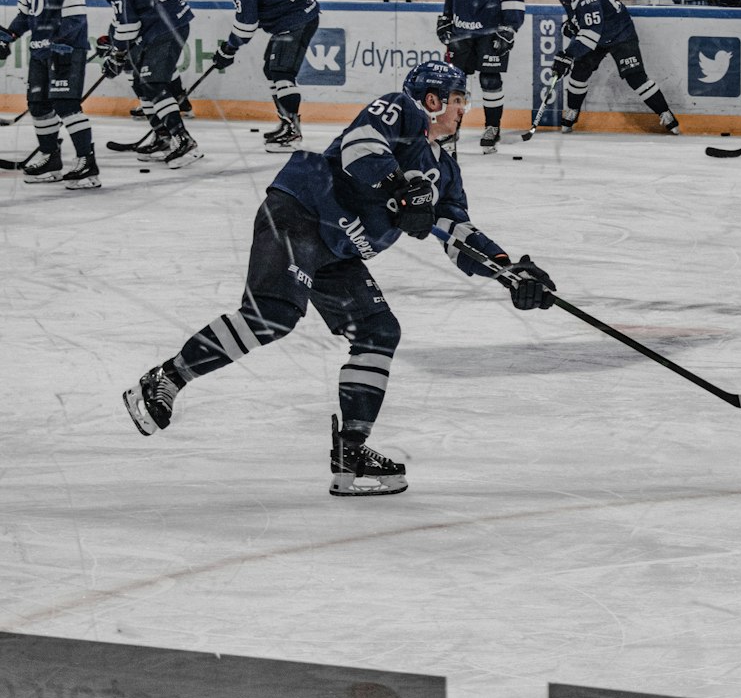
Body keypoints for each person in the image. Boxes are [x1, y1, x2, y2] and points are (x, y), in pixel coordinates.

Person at [122, 60, 556, 496]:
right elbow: (359, 148)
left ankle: (351, 450)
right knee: (273, 314)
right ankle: (166, 378)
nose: (465, 110)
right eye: (459, 100)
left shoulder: (445, 172)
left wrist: (508, 270)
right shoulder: (401, 110)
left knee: (378, 330)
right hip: (302, 210)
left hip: (337, 250)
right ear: (433, 100)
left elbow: (457, 232)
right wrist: (400, 188)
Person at [84, 0, 201, 169]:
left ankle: (183, 140)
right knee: (141, 83)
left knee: (153, 83)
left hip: (165, 28)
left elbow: (129, 26)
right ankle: (163, 136)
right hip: (165, 23)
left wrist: (117, 54)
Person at [0, 0, 100, 188]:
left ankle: (87, 163)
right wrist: (8, 35)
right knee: (38, 105)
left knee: (66, 105)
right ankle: (51, 158)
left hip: (66, 49)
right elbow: (25, 12)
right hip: (40, 51)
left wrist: (61, 42)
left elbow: (76, 11)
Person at [210, 0, 320, 151]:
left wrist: (228, 49)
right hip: (299, 15)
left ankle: (292, 132)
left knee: (282, 73)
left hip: (295, 21)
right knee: (270, 69)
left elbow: (246, 27)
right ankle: (286, 122)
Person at [554, 0, 679, 134]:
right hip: (597, 36)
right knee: (578, 72)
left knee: (635, 77)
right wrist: (571, 26)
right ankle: (572, 110)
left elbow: (590, 34)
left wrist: (568, 55)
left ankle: (665, 113)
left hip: (621, 34)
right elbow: (577, 21)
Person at [438, 0, 525, 154]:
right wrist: (446, 17)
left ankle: (492, 127)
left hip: (490, 29)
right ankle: (452, 128)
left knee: (490, 79)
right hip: (462, 29)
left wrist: (510, 26)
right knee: (456, 82)